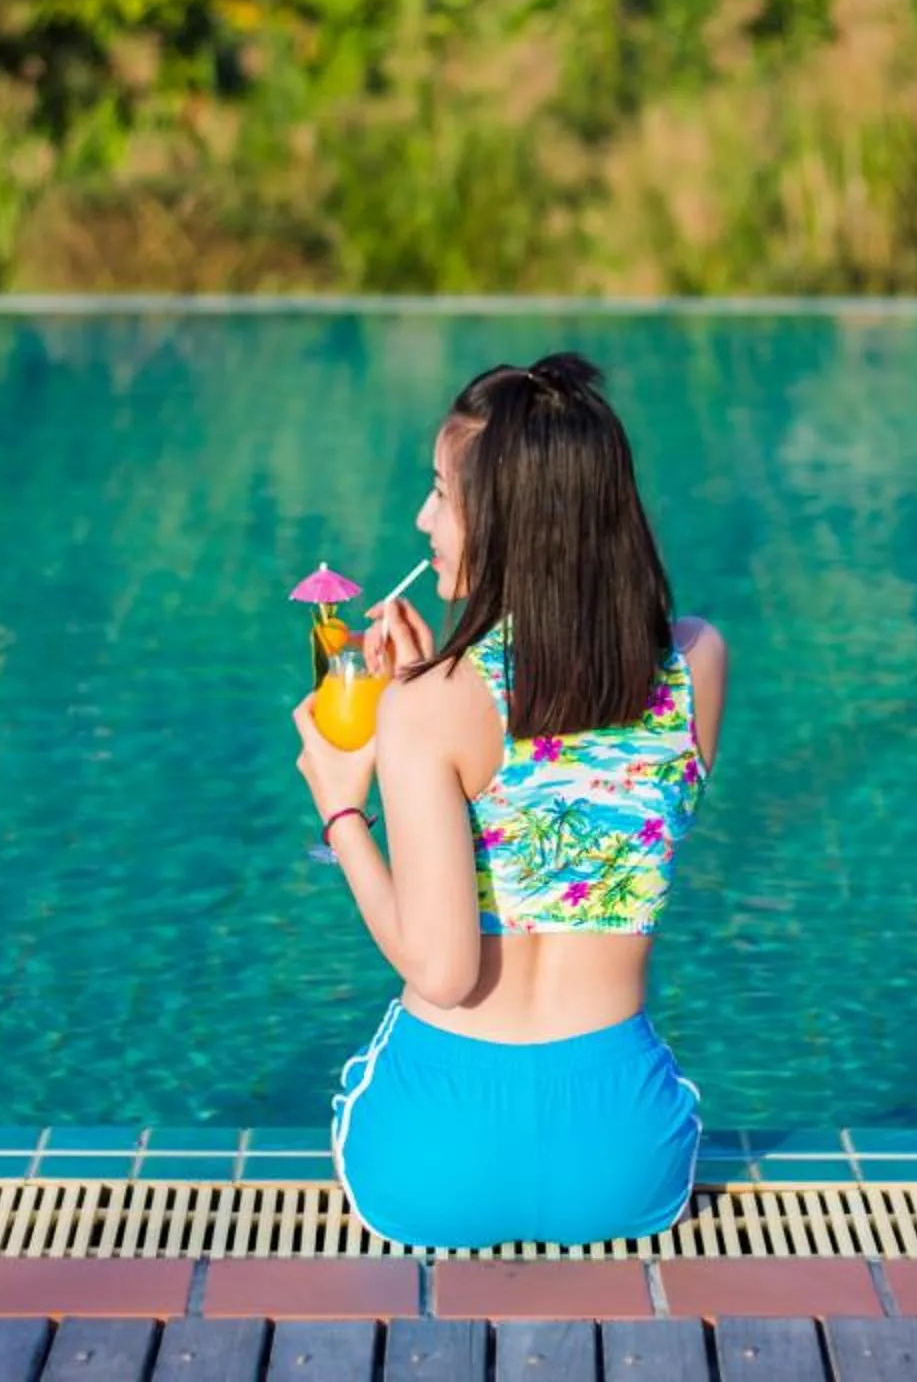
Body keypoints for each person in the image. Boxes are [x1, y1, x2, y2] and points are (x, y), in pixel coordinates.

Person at [290, 352, 730, 1248]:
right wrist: (431, 678)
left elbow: (443, 972)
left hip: (433, 1164)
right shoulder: (698, 662)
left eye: (442, 495)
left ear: (510, 519)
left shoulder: (430, 708)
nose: (424, 519)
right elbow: (559, 738)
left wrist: (342, 809)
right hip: (624, 1157)